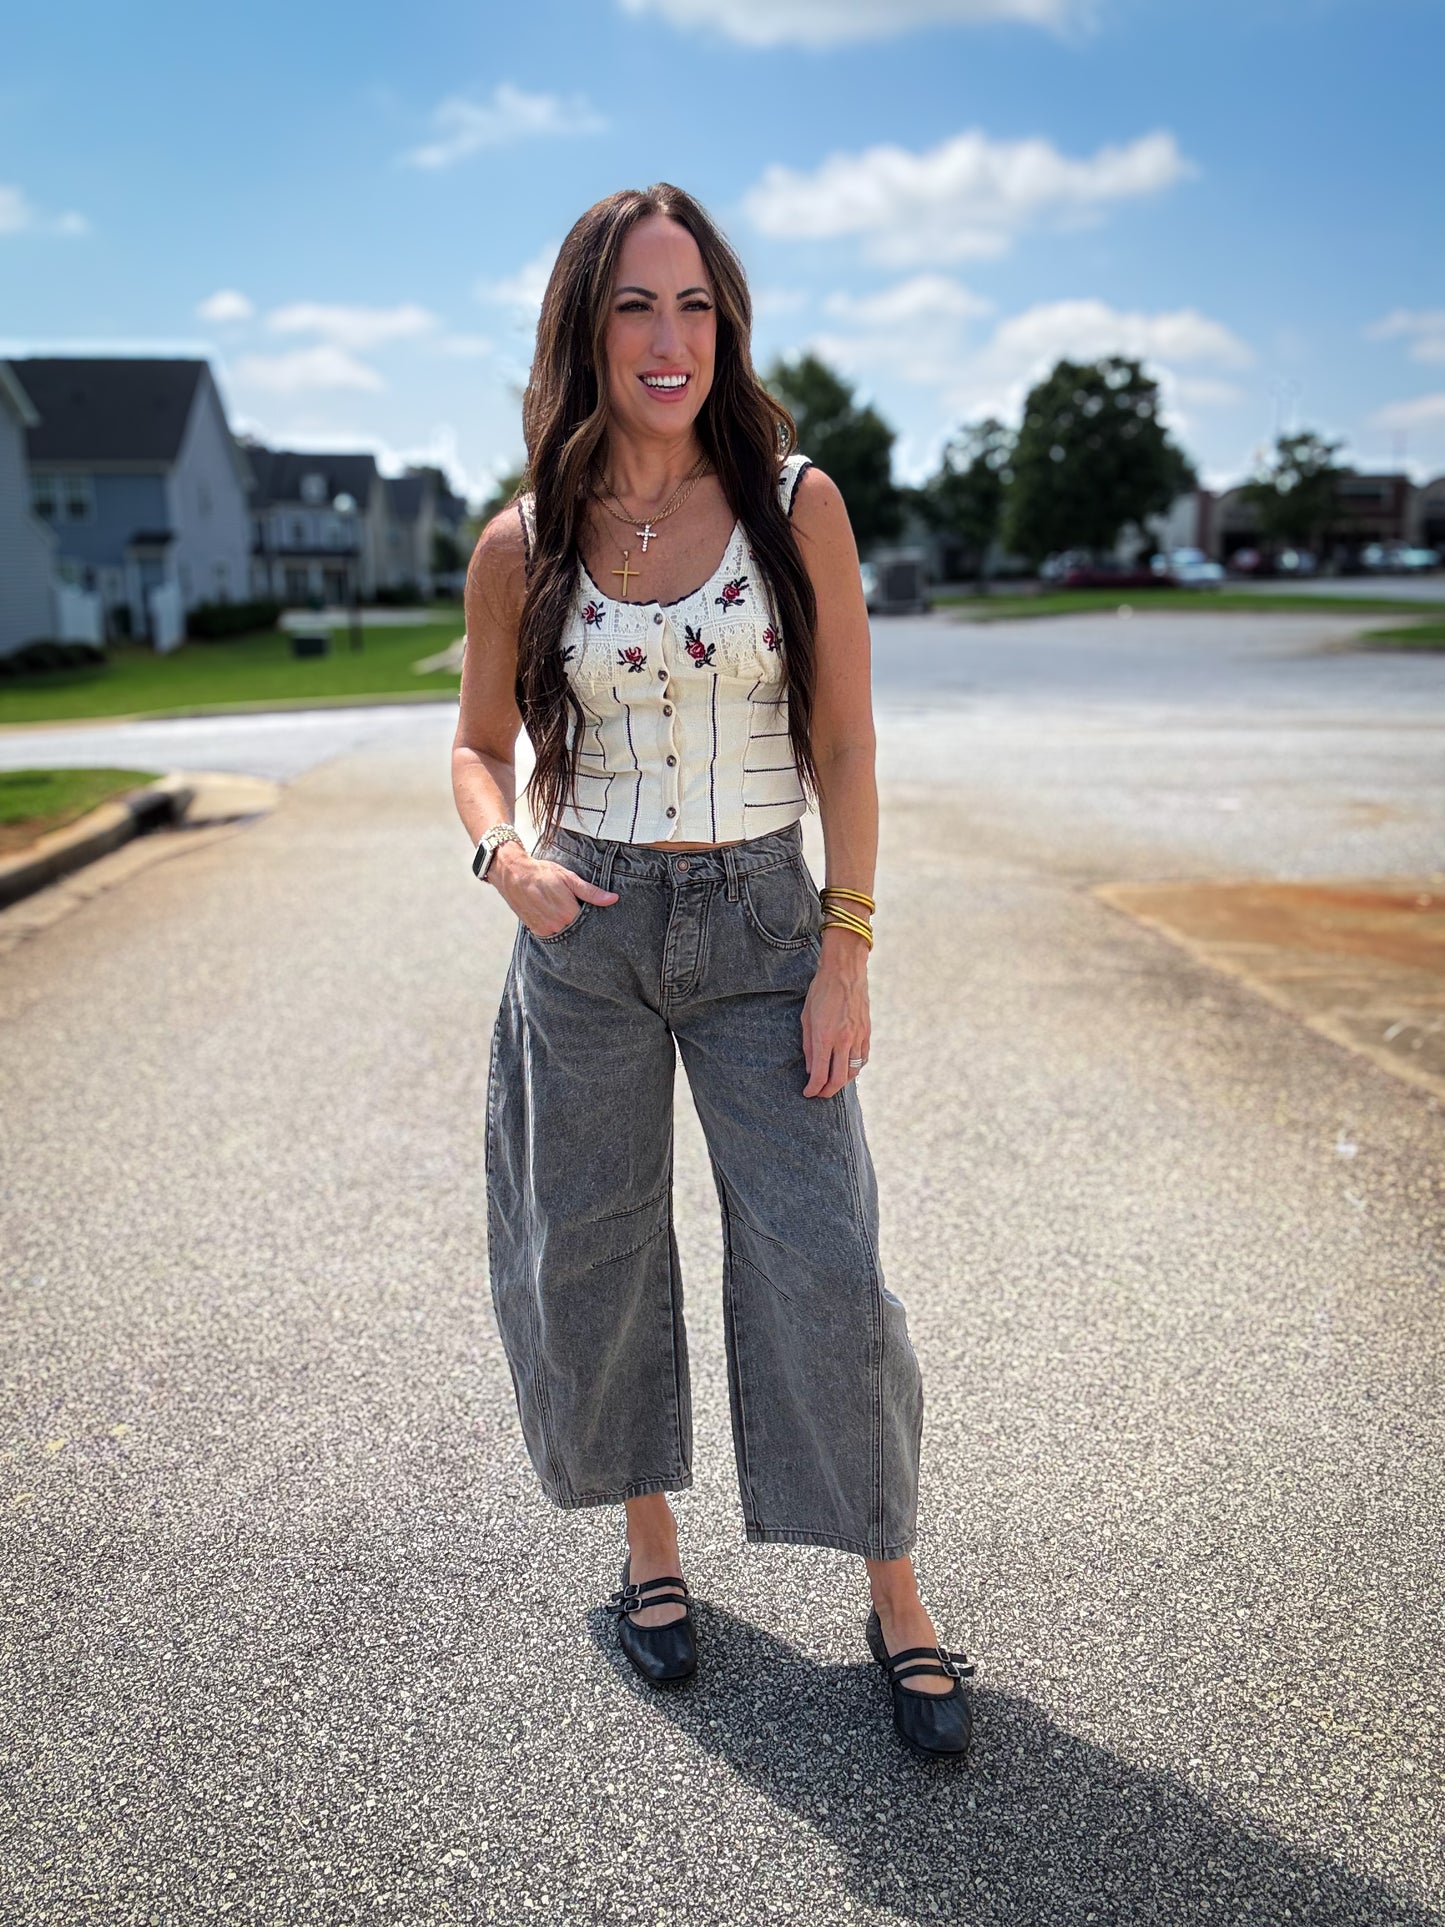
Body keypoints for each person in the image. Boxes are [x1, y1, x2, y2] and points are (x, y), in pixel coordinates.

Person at [452, 183, 974, 1760]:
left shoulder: (793, 504)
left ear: (723, 324)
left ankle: (895, 1593)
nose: (667, 339)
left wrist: (847, 945)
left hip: (760, 918)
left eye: (692, 306)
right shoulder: (522, 536)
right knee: (590, 1253)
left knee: (823, 1262)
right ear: (585, 328)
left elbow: (845, 740)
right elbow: (480, 750)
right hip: (583, 931)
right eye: (633, 306)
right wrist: (505, 860)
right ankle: (650, 1556)